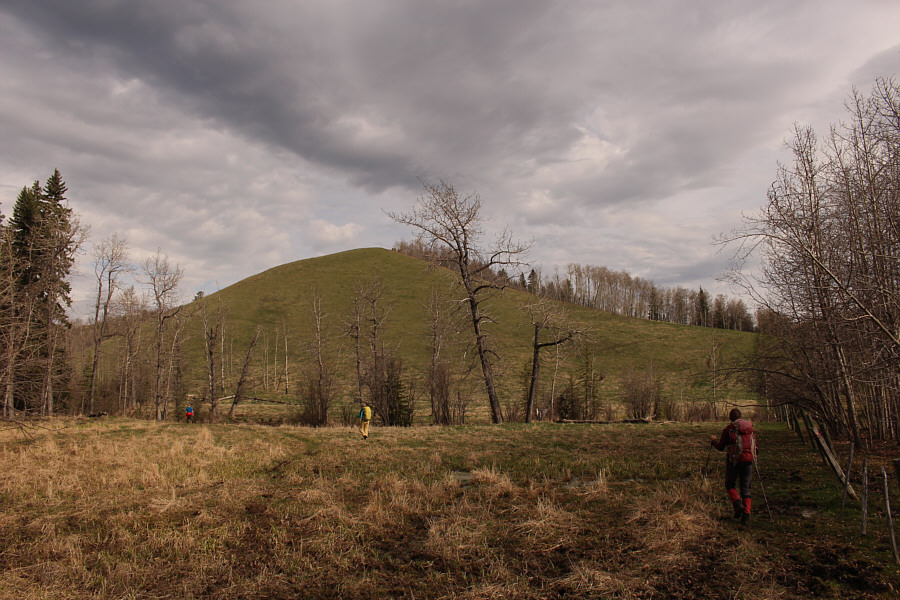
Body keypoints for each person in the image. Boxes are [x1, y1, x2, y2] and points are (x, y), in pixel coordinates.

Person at [710, 408, 757, 526]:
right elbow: (756, 447)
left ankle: (737, 504)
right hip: (748, 461)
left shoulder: (729, 429)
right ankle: (746, 516)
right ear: (740, 416)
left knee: (730, 484)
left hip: (734, 461)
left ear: (730, 417)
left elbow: (721, 447)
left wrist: (714, 442)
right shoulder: (749, 429)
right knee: (746, 488)